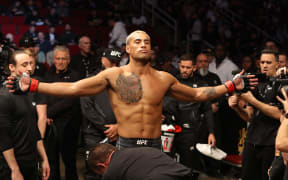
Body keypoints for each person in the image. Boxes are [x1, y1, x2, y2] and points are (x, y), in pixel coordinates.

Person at [7, 30, 256, 150]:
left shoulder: (163, 78)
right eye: (137, 41)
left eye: (147, 41)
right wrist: (35, 84)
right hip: (125, 145)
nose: (143, 44)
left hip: (155, 145)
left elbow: (200, 94)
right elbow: (73, 88)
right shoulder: (113, 75)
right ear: (127, 49)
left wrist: (231, 86)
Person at [228, 49, 281, 180]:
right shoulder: (256, 83)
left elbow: (278, 114)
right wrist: (236, 108)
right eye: (262, 62)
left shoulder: (282, 84)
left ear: (277, 64)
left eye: (268, 62)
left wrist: (252, 101)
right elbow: (250, 116)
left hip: (272, 143)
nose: (265, 65)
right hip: (252, 140)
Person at [0, 50, 50, 180]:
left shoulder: (28, 93)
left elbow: (35, 130)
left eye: (30, 64)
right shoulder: (4, 96)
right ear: (12, 67)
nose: (29, 68)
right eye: (24, 65)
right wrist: (14, 169)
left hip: (31, 160)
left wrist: (44, 158)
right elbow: (3, 137)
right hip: (11, 164)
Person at [171, 54, 215, 179]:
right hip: (171, 128)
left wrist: (211, 132)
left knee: (188, 165)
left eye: (188, 67)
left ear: (194, 68)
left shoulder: (201, 84)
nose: (184, 70)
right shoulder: (172, 81)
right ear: (179, 66)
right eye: (182, 67)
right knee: (169, 161)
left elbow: (207, 110)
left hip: (191, 131)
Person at [81, 48, 121, 180]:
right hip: (94, 135)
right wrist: (108, 129)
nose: (114, 66)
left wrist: (119, 127)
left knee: (116, 172)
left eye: (117, 62)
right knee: (93, 173)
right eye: (112, 62)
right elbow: (87, 109)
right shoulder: (91, 80)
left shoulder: (124, 82)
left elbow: (130, 107)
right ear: (103, 61)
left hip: (118, 134)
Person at [44, 45, 81, 180]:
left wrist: (48, 113)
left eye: (63, 59)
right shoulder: (48, 75)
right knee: (52, 161)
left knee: (69, 161)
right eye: (58, 58)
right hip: (51, 125)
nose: (60, 62)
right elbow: (44, 96)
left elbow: (69, 101)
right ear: (53, 59)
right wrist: (46, 116)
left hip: (69, 126)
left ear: (69, 60)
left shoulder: (75, 76)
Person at [87, 143, 192, 180]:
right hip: (186, 174)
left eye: (101, 174)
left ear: (101, 166)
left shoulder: (110, 172)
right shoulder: (140, 151)